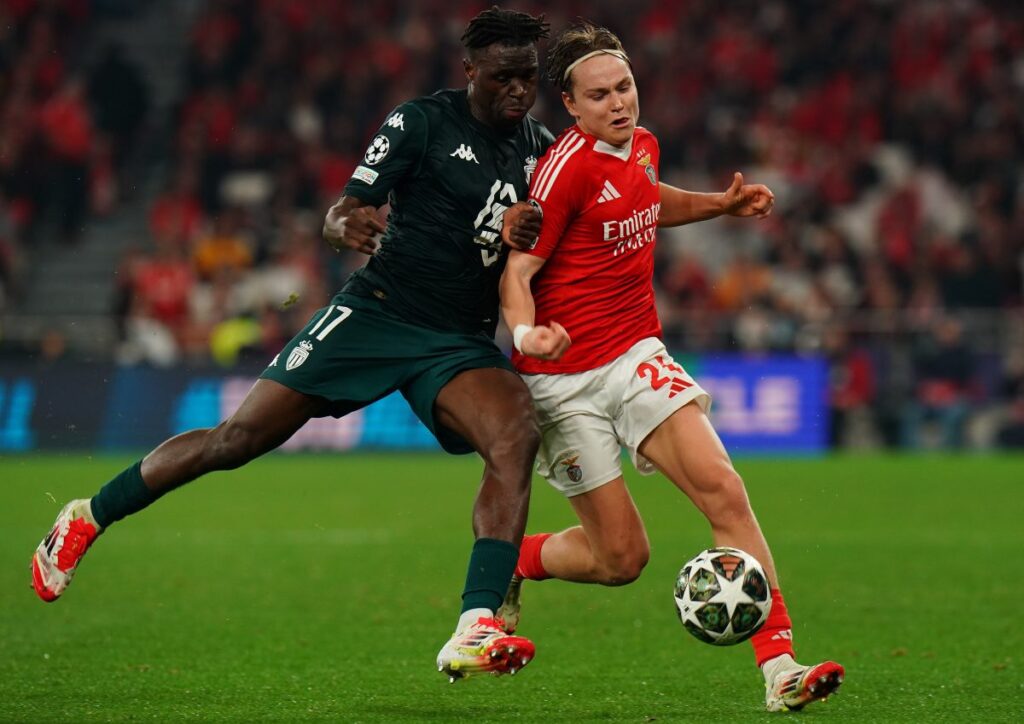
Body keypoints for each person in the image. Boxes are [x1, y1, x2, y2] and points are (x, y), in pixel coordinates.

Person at [31, 7, 555, 683]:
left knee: (515, 434)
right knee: (234, 441)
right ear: (471, 70)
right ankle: (88, 516)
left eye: (528, 77)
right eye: (504, 76)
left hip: (457, 340)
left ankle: (475, 623)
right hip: (378, 314)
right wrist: (345, 227)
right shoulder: (421, 122)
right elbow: (345, 209)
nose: (519, 90)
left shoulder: (542, 148)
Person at [497, 24, 844, 712]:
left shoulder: (644, 145)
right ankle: (517, 560)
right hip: (562, 381)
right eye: (600, 95)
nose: (618, 103)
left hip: (635, 354)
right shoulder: (564, 171)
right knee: (621, 560)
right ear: (570, 104)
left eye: (624, 87)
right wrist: (527, 333)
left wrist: (720, 205)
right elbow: (518, 270)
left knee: (724, 491)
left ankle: (780, 668)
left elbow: (649, 200)